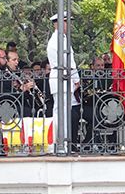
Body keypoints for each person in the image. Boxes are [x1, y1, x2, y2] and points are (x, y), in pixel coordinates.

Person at [46, 12, 81, 150]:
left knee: (62, 112)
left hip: (61, 76)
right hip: (61, 76)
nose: (69, 25)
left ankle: (60, 142)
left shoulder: (60, 38)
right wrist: (76, 77)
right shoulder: (59, 40)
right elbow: (69, 61)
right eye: (67, 22)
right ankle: (61, 143)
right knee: (62, 113)